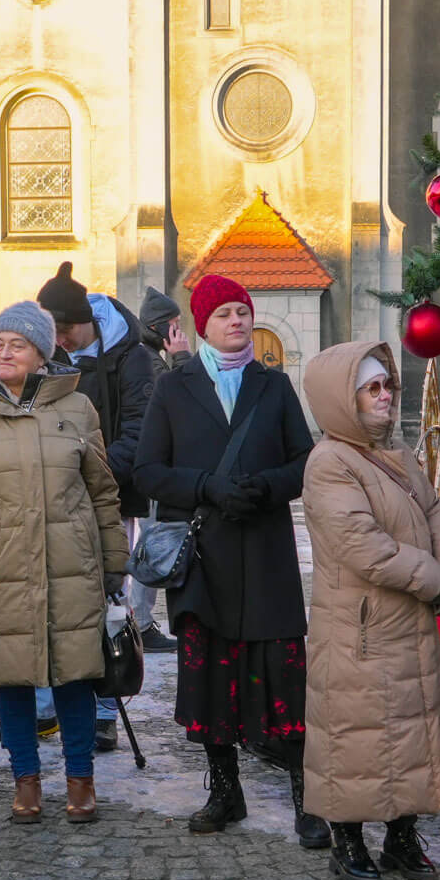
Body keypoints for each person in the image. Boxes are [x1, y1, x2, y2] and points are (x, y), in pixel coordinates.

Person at [133, 275, 325, 847]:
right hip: (204, 556)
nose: (237, 320)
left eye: (242, 310)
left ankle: (308, 799)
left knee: (284, 679)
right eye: (223, 314)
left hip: (266, 555)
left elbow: (305, 462)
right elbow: (147, 471)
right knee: (211, 678)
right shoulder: (174, 388)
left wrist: (265, 487)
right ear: (202, 325)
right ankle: (224, 790)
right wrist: (206, 487)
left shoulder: (275, 385)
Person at [0, 303, 127, 824]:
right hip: (0, 567)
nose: (3, 352)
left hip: (71, 565)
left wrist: (114, 561)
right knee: (13, 676)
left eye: (17, 344)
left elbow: (102, 491)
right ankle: (26, 780)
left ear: (42, 355)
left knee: (76, 675)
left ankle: (80, 780)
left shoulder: (78, 408)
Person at [300, 342, 440, 880]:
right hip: (360, 628)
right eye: (371, 388)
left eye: (388, 386)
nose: (384, 396)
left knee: (412, 731)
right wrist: (437, 580)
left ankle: (402, 836)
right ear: (342, 398)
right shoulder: (329, 462)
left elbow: (435, 514)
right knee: (355, 735)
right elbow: (365, 548)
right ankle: (347, 839)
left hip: (409, 623)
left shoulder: (396, 452)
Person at [37, 264, 156, 750]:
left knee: (107, 602)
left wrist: (92, 477)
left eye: (66, 329)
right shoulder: (47, 354)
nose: (60, 339)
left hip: (110, 496)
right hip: (49, 498)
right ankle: (45, 710)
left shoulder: (131, 356)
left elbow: (139, 429)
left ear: (86, 320)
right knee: (46, 600)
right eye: (53, 331)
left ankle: (105, 710)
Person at [131, 286, 185, 653]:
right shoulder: (149, 362)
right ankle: (140, 622)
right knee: (152, 544)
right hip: (152, 468)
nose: (179, 331)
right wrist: (181, 358)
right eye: (174, 323)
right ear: (157, 326)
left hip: (155, 466)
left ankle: (140, 619)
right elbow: (180, 402)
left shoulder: (148, 356)